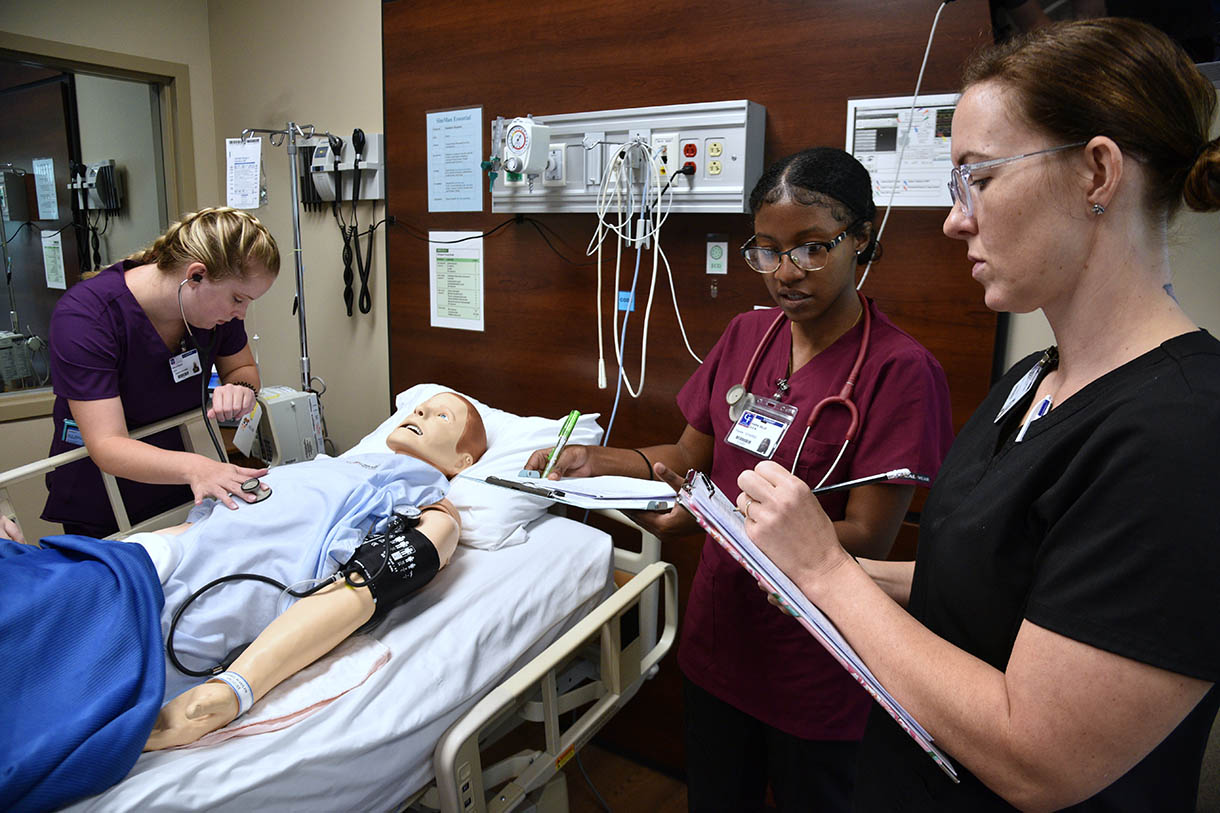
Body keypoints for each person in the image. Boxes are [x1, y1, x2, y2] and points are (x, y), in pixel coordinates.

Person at [737, 18, 1220, 811]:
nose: (956, 217)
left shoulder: (1186, 434)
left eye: (979, 178)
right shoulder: (1033, 380)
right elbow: (996, 586)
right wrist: (820, 566)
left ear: (1096, 173)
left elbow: (1039, 756)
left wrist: (827, 572)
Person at [526, 148, 955, 811]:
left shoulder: (901, 370)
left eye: (813, 248)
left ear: (862, 238)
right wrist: (595, 460)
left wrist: (720, 523)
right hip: (719, 642)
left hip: (816, 657)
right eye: (767, 250)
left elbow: (869, 537)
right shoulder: (746, 335)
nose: (785, 272)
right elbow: (683, 458)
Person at [1, 391, 487, 812]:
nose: (421, 413)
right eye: (422, 406)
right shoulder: (326, 464)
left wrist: (235, 687)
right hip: (153, 559)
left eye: (441, 417)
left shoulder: (429, 503)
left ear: (463, 463)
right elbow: (205, 523)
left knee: (43, 684)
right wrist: (107, 553)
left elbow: (359, 592)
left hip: (207, 599)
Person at [42, 207, 280, 538]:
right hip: (107, 498)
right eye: (238, 298)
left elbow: (241, 368)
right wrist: (196, 468)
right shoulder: (87, 317)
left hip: (187, 483)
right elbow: (107, 443)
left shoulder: (214, 315)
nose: (241, 313)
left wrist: (240, 387)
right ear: (196, 275)